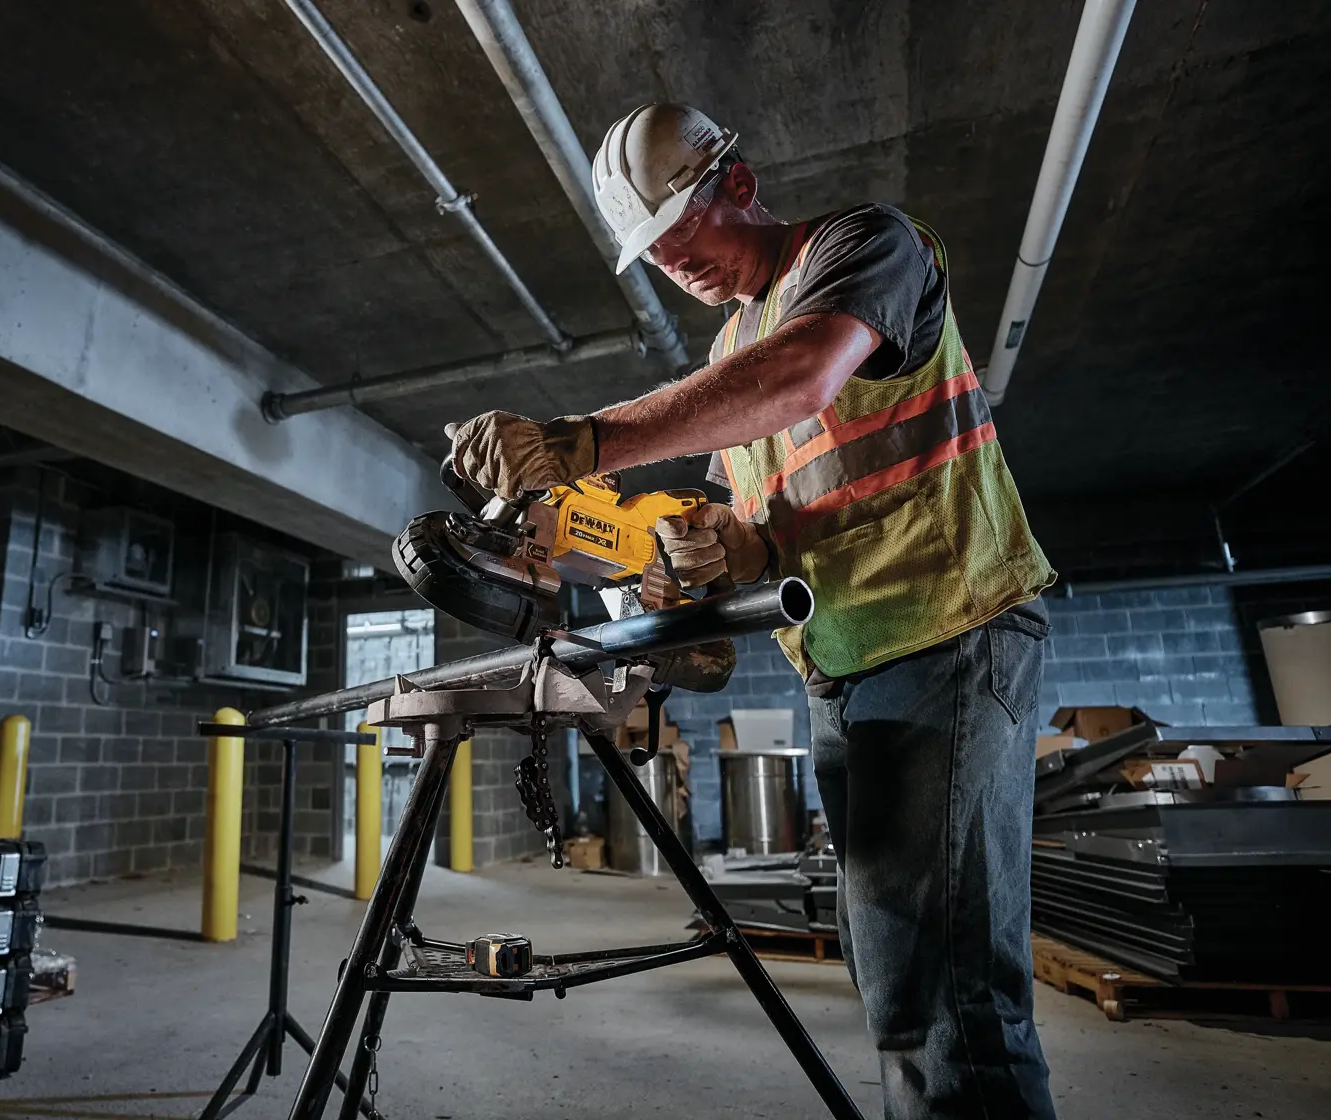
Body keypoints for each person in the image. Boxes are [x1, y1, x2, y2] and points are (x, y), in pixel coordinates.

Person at [448, 104, 1058, 1120]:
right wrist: (707, 554)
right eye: (652, 247)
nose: (672, 258)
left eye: (681, 225)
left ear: (738, 182)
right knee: (895, 977)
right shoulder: (736, 347)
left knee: (949, 996)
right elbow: (767, 529)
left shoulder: (865, 245)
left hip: (951, 632)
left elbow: (803, 374)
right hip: (848, 665)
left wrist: (581, 440)